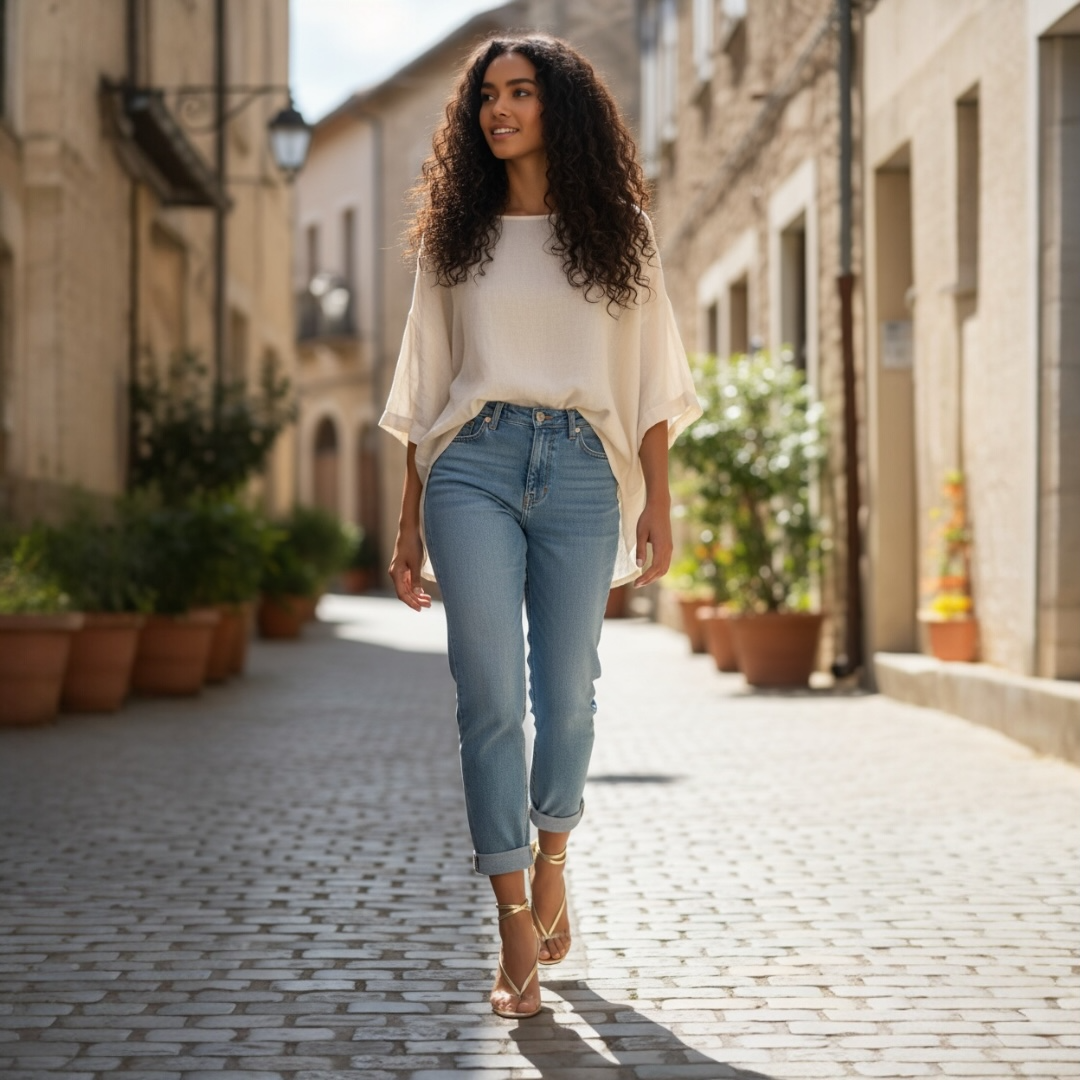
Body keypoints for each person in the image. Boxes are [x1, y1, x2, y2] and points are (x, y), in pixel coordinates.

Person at [379, 32, 700, 1020]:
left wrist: (661, 505)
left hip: (580, 474)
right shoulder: (453, 238)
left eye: (519, 93)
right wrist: (406, 528)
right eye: (487, 97)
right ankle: (513, 921)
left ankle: (553, 846)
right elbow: (426, 390)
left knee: (568, 699)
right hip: (469, 466)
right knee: (490, 699)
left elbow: (649, 387)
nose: (499, 110)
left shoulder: (622, 235)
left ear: (559, 106)